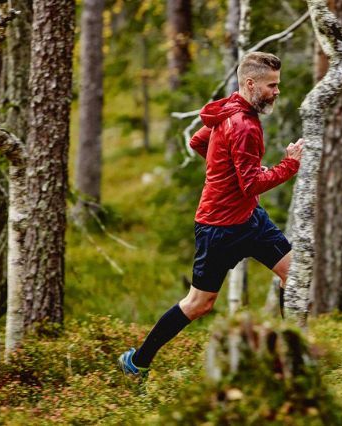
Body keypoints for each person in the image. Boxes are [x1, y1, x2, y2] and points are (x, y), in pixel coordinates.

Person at [118, 52, 303, 378]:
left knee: (296, 274)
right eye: (271, 85)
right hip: (219, 229)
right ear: (250, 83)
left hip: (250, 220)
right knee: (199, 304)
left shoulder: (229, 108)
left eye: (278, 84)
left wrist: (228, 168)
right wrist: (290, 164)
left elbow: (197, 141)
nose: (277, 91)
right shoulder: (243, 125)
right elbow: (251, 184)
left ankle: (292, 365)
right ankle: (137, 362)